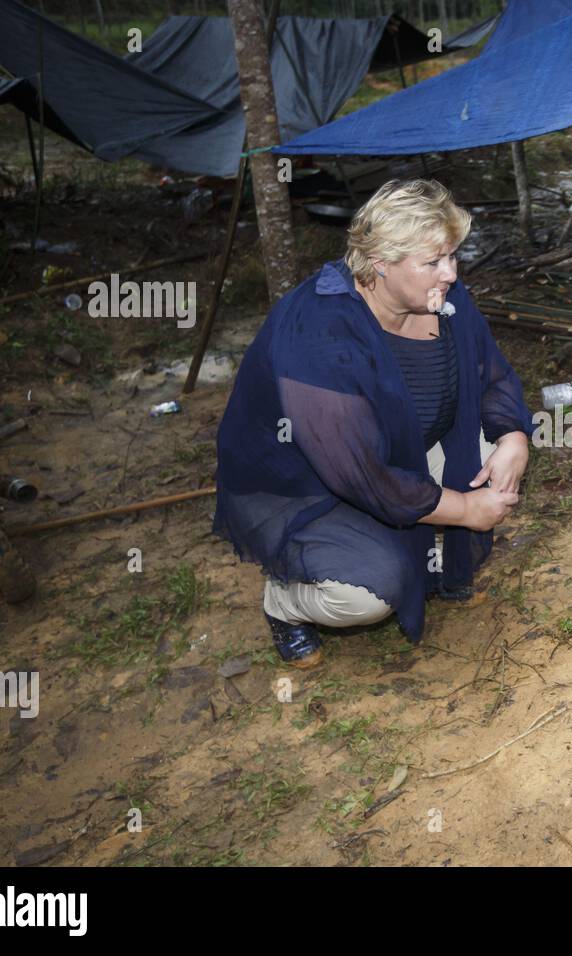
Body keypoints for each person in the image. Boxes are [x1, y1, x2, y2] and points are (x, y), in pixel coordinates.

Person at [213, 180, 533, 667]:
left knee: (491, 451)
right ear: (380, 262)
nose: (450, 273)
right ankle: (284, 604)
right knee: (371, 591)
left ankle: (438, 566)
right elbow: (362, 475)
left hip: (396, 450)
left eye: (453, 256)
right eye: (433, 262)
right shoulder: (320, 333)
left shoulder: (443, 298)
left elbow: (491, 372)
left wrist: (513, 436)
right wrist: (467, 509)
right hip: (307, 483)